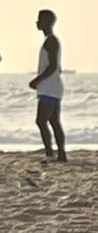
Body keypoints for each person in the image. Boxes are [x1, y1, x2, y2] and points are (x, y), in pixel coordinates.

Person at [27, 10, 66, 161]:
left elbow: (52, 66)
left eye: (39, 20)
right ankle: (61, 153)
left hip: (49, 88)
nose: (37, 22)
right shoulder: (51, 41)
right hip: (52, 87)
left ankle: (50, 152)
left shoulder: (51, 41)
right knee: (54, 121)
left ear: (46, 22)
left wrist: (36, 81)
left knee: (41, 121)